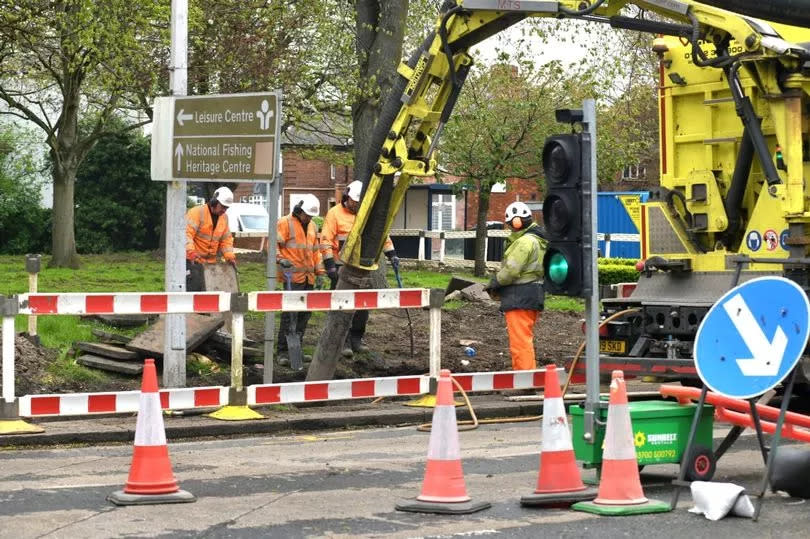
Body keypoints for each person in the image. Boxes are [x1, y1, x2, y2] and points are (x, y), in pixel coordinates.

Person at [320, 180, 400, 357]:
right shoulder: (334, 214)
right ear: (347, 197)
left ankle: (357, 338)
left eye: (358, 202)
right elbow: (325, 240)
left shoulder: (367, 213)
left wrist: (391, 254)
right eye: (354, 202)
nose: (356, 205)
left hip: (362, 266)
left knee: (362, 306)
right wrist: (330, 267)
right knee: (342, 307)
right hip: (342, 266)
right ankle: (342, 341)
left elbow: (381, 236)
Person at [486, 201, 547, 371]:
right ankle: (529, 377)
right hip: (534, 294)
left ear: (517, 221)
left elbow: (511, 271)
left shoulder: (524, 242)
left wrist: (495, 282)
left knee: (520, 342)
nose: (511, 228)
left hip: (520, 295)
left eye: (511, 224)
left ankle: (524, 381)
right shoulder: (538, 239)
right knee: (525, 339)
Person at [277, 194, 326, 365]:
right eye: (307, 215)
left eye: (311, 216)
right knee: (290, 314)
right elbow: (273, 245)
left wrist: (320, 273)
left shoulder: (312, 226)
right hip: (292, 277)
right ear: (299, 211)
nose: (309, 218)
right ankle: (282, 351)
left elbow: (316, 252)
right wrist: (279, 258)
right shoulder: (284, 223)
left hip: (308, 278)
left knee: (304, 314)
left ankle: (297, 348)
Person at [185, 186, 236, 291]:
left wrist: (229, 256)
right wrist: (190, 252)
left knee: (210, 293)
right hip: (193, 261)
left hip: (210, 264)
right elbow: (186, 234)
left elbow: (226, 240)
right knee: (194, 291)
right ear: (214, 202)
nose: (224, 210)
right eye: (222, 206)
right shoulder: (196, 213)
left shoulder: (224, 218)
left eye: (227, 208)